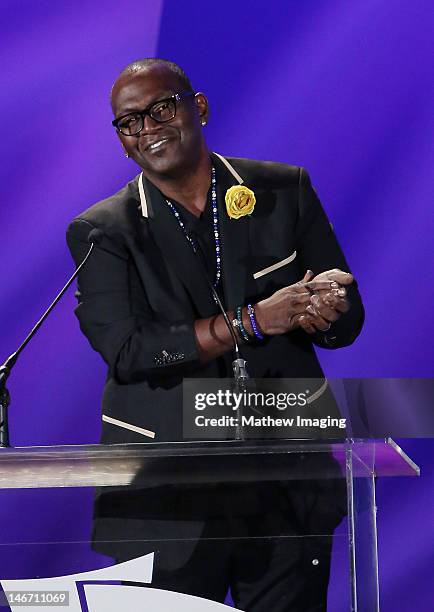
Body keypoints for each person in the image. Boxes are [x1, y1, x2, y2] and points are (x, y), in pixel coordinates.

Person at [67, 58, 364, 611]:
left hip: (287, 481)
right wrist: (252, 322)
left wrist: (329, 305)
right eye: (130, 122)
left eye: (161, 109)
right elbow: (130, 351)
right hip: (168, 495)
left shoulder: (282, 189)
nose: (148, 128)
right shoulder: (103, 231)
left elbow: (346, 322)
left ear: (197, 107)